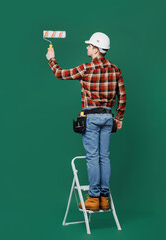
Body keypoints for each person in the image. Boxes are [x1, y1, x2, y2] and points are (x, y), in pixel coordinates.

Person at [46, 32, 126, 211]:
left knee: (92, 157)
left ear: (96, 49)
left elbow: (60, 74)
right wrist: (119, 118)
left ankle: (94, 198)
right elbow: (122, 97)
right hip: (107, 117)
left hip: (90, 117)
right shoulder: (115, 69)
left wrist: (51, 59)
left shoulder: (86, 69)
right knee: (104, 157)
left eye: (90, 45)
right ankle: (104, 199)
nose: (87, 47)